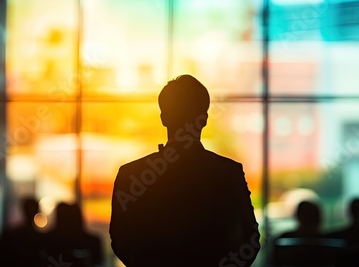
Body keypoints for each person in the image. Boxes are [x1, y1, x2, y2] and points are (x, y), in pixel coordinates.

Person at [109, 75, 260, 267]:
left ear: (164, 118)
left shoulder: (131, 175)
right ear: (204, 119)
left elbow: (121, 239)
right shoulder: (229, 173)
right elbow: (250, 238)